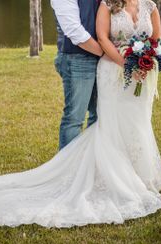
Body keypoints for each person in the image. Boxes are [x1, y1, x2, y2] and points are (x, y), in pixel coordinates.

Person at [0, 0, 161, 228]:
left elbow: (149, 36)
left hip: (115, 68)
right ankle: (69, 179)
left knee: (106, 120)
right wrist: (116, 55)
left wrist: (136, 58)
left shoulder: (141, 4)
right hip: (81, 57)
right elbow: (75, 30)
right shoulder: (97, 3)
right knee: (74, 119)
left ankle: (112, 174)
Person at [52, 0, 104, 149]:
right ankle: (68, 169)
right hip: (77, 59)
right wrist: (106, 52)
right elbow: (75, 32)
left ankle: (90, 163)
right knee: (75, 118)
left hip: (101, 59)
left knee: (100, 115)